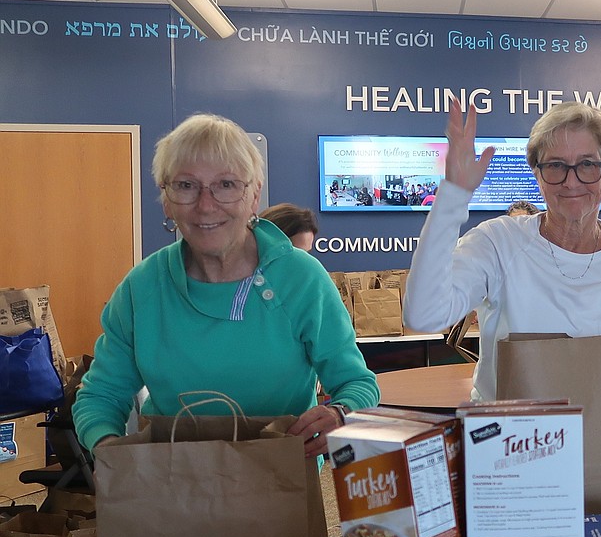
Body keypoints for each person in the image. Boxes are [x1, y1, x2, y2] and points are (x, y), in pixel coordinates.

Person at [73, 113, 379, 458]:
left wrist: (339, 412)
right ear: (166, 200)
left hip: (284, 482)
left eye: (226, 184)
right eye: (186, 185)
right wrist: (109, 450)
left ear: (253, 195)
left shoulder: (301, 279)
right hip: (171, 486)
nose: (206, 205)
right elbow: (101, 394)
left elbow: (358, 383)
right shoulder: (141, 289)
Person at [403, 99, 601, 404]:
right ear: (538, 175)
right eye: (555, 166)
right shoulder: (498, 243)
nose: (571, 180)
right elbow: (423, 315)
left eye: (587, 164)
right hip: (508, 443)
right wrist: (452, 197)